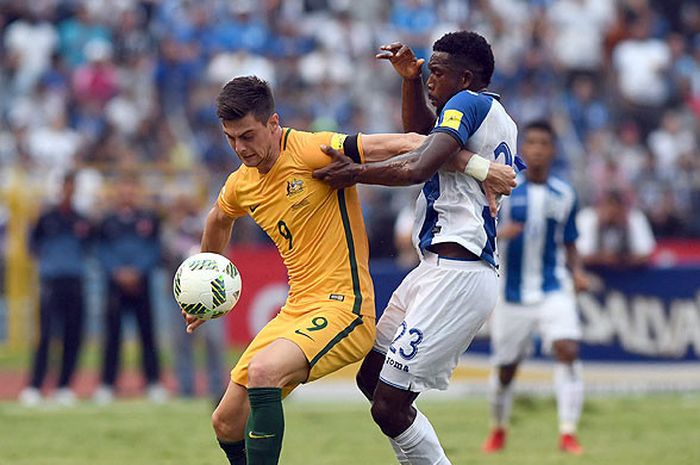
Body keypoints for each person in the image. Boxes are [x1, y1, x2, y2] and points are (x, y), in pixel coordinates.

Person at [180, 75, 516, 465]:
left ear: (273, 123)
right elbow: (219, 219)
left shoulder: (310, 148)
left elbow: (409, 142)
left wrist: (480, 167)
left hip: (345, 308)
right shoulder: (241, 184)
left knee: (264, 372)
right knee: (225, 422)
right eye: (231, 138)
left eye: (249, 135)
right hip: (296, 310)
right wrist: (206, 278)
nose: (241, 148)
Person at [314, 31, 518, 465]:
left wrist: (357, 172)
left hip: (457, 270)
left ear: (465, 78)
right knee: (372, 379)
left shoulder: (467, 103)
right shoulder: (494, 114)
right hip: (437, 267)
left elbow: (419, 163)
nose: (430, 77)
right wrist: (409, 80)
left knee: (388, 403)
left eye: (437, 72)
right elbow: (423, 136)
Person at [481, 120, 589, 455]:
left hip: (553, 287)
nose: (538, 149)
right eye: (532, 143)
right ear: (522, 149)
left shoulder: (565, 194)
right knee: (506, 370)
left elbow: (570, 241)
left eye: (544, 143)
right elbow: (479, 232)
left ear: (553, 150)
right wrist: (501, 234)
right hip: (511, 295)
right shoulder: (506, 189)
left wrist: (578, 272)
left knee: (567, 349)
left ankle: (568, 432)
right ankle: (499, 428)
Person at [19, 172, 91, 406]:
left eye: (73, 186)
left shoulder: (82, 219)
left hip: (75, 280)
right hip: (52, 282)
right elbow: (33, 245)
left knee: (73, 335)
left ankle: (64, 385)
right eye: (66, 185)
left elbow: (89, 246)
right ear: (60, 187)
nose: (69, 190)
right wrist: (52, 262)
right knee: (46, 335)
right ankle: (35, 385)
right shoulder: (46, 217)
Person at [93, 175, 166, 404]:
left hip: (141, 283)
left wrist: (138, 271)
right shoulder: (107, 221)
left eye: (131, 188)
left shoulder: (149, 219)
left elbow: (155, 248)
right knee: (112, 335)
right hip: (114, 284)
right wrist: (117, 271)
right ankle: (107, 384)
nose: (127, 193)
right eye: (123, 188)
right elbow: (100, 248)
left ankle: (153, 382)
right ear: (116, 192)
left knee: (147, 333)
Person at [164, 194, 226, 405]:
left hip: (209, 293)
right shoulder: (170, 229)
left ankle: (218, 388)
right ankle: (185, 388)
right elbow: (167, 252)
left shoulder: (208, 222)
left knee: (214, 341)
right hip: (179, 293)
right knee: (181, 342)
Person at [576, 189, 656, 268]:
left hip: (629, 274)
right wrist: (604, 258)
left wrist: (619, 259)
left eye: (616, 211)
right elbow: (579, 255)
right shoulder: (587, 217)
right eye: (608, 208)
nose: (612, 214)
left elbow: (647, 255)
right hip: (594, 273)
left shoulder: (635, 217)